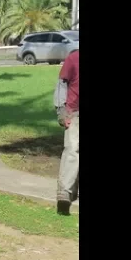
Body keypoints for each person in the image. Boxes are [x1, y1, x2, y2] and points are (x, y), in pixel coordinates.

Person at [55, 49, 79, 215]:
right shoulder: (73, 58)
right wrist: (61, 111)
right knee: (72, 149)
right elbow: (61, 85)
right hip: (74, 112)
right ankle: (64, 193)